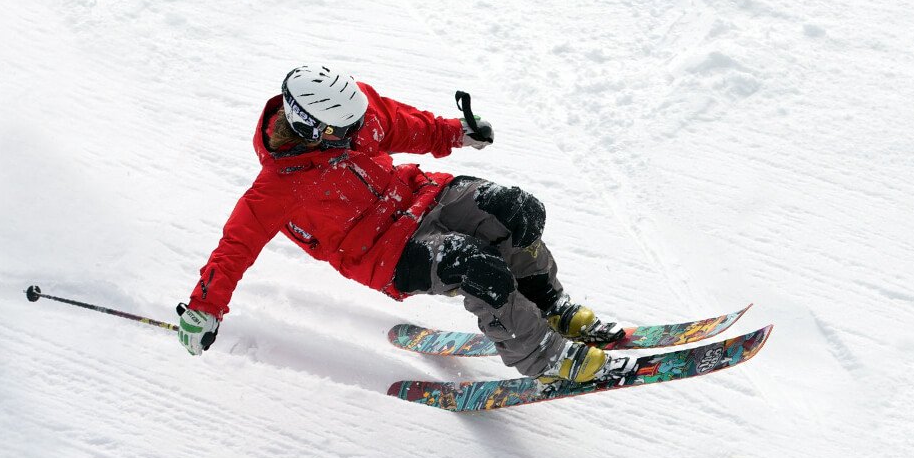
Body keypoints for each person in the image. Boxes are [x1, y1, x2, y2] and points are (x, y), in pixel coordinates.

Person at [177, 65, 628, 383]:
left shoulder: (352, 115)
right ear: (310, 127)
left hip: (420, 194)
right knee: (477, 266)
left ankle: (549, 307)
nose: (359, 130)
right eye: (344, 128)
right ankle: (542, 356)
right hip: (382, 253)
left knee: (516, 209)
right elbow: (233, 250)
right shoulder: (276, 188)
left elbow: (399, 124)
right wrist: (204, 309)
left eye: (357, 119)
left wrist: (454, 133)